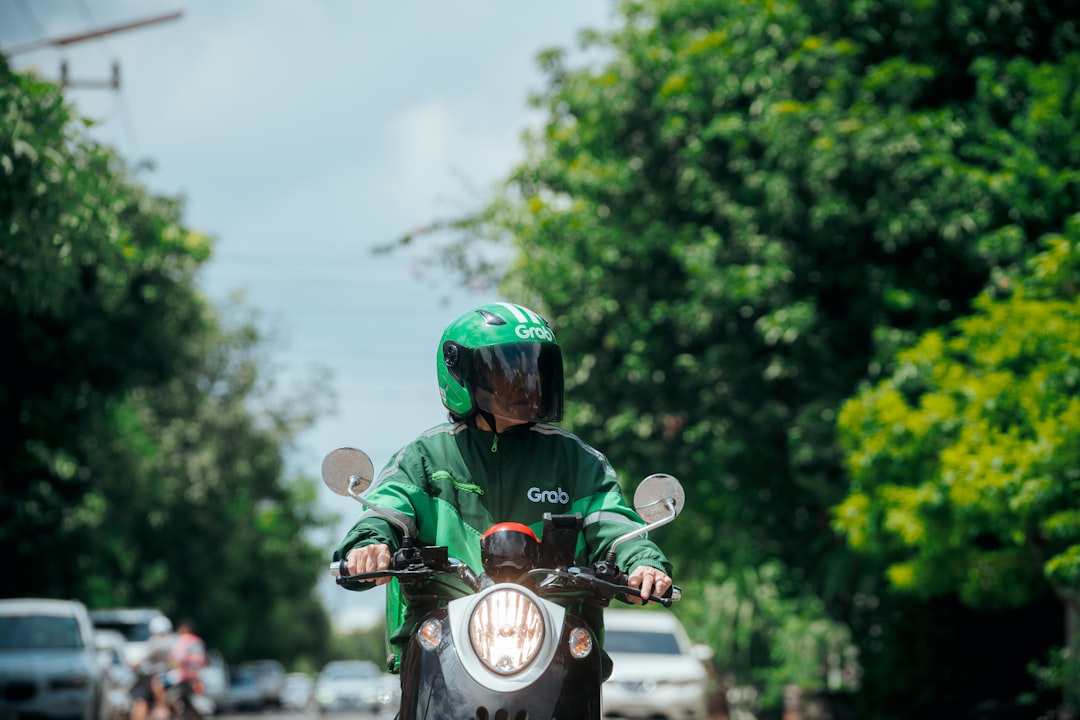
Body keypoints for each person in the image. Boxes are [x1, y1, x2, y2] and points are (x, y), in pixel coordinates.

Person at [333, 302, 674, 679]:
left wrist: (641, 560)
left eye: (534, 368)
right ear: (459, 373)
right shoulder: (426, 457)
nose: (527, 383)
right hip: (444, 646)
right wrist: (370, 546)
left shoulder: (576, 461)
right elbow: (386, 510)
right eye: (509, 371)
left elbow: (613, 522)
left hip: (554, 647)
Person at [129, 616, 174, 720]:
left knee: (141, 700)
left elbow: (143, 658)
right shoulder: (173, 641)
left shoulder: (155, 642)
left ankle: (160, 708)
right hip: (170, 676)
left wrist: (133, 665)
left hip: (154, 677)